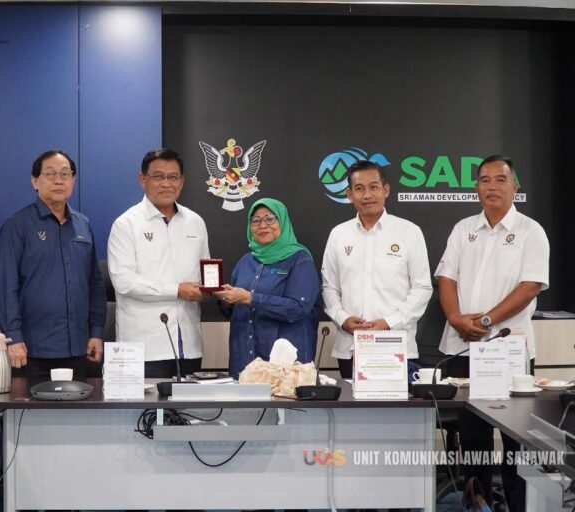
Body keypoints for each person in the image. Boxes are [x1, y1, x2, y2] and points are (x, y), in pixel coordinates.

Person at [436, 155, 549, 511]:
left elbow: (530, 286)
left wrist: (485, 321)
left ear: (515, 186)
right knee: (474, 442)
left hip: (509, 352)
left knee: (517, 441)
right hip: (464, 349)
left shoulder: (531, 231)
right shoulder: (463, 228)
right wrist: (455, 318)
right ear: (476, 188)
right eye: (484, 180)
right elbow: (446, 278)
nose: (492, 187)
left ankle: (518, 506)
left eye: (500, 179)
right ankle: (477, 505)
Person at [0, 150, 106, 382]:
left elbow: (95, 284)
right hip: (31, 351)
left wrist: (96, 332)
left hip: (78, 349)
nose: (58, 180)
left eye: (65, 174)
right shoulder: (17, 226)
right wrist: (14, 338)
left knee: (79, 405)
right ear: (34, 181)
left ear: (73, 180)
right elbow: (6, 288)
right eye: (50, 174)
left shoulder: (83, 225)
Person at [321, 160, 432, 379]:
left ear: (385, 190)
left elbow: (422, 288)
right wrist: (343, 319)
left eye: (373, 187)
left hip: (395, 345)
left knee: (394, 403)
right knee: (350, 402)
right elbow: (329, 287)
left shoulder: (409, 232)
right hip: (350, 346)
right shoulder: (338, 234)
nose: (367, 195)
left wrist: (389, 323)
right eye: (359, 189)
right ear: (349, 194)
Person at [107, 149, 210, 378]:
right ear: (142, 179)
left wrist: (206, 291)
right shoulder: (126, 224)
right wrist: (177, 290)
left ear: (182, 181)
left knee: (190, 402)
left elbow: (204, 274)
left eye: (173, 177)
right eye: (158, 176)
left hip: (189, 345)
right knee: (145, 404)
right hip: (144, 348)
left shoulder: (195, 222)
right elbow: (124, 282)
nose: (166, 184)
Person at [215, 198, 320, 378]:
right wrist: (225, 299)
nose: (262, 225)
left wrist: (250, 298)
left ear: (283, 221)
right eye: (255, 220)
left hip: (285, 366)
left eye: (270, 218)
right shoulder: (245, 261)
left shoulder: (300, 260)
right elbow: (234, 312)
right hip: (245, 361)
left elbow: (298, 308)